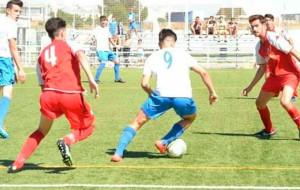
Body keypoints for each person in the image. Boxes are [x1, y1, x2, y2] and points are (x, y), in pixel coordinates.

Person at [111, 29, 218, 162]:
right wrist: (212, 92)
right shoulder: (183, 54)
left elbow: (144, 83)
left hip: (160, 96)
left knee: (137, 121)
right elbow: (204, 73)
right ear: (173, 42)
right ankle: (164, 141)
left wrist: (152, 95)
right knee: (190, 118)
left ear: (159, 43)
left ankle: (118, 153)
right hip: (183, 97)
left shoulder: (152, 57)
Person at [8, 17, 99, 173]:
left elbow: (42, 84)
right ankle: (67, 141)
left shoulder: (42, 55)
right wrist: (91, 79)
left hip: (48, 96)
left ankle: (17, 162)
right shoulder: (69, 43)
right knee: (89, 127)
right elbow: (82, 56)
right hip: (70, 94)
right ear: (62, 32)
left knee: (41, 130)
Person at [241, 15, 300, 139]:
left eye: (257, 26)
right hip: (274, 77)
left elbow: (293, 51)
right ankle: (269, 130)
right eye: (252, 27)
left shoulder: (274, 38)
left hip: (290, 74)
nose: (254, 29)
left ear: (263, 25)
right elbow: (262, 68)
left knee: (285, 101)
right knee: (259, 103)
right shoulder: (258, 47)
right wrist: (250, 87)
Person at [0, 0, 26, 139]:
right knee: (8, 92)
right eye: (16, 11)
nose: (18, 14)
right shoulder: (11, 24)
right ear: (8, 10)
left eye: (19, 12)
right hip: (4, 60)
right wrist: (21, 69)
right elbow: (12, 47)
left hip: (5, 60)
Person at [92, 16, 125, 83]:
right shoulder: (97, 29)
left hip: (107, 50)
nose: (104, 22)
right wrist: (83, 42)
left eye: (105, 20)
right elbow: (91, 36)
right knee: (103, 63)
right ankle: (95, 79)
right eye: (102, 20)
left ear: (107, 21)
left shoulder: (107, 29)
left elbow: (110, 39)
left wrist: (116, 45)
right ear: (100, 21)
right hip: (101, 50)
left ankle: (117, 78)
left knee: (117, 61)